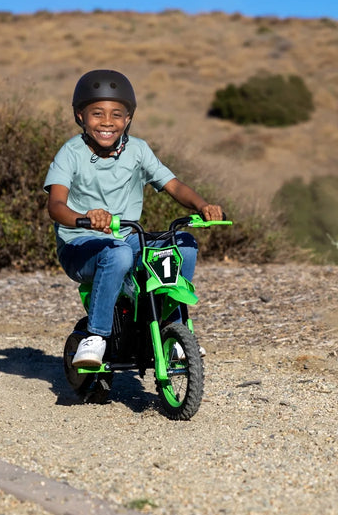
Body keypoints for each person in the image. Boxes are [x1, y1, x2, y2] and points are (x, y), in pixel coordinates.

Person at [45, 69, 223, 367]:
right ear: (80, 116)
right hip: (80, 245)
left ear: (128, 119)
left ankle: (172, 328)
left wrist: (202, 206)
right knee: (118, 256)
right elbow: (56, 206)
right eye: (97, 113)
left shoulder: (138, 150)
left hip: (127, 238)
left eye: (117, 114)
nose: (107, 122)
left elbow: (173, 185)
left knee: (184, 244)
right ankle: (96, 336)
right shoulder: (70, 153)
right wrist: (85, 219)